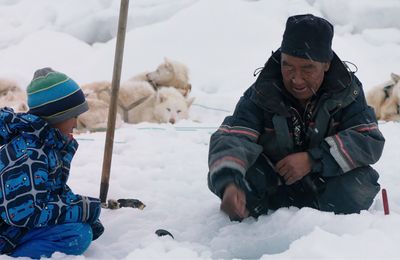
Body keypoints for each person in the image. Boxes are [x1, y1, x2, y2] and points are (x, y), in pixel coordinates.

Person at [207, 14, 385, 221]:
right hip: (274, 185)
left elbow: (368, 140)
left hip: (326, 182)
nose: (296, 79)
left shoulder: (347, 92)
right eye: (288, 66)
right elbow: (235, 136)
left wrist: (313, 159)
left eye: (308, 68)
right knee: (234, 177)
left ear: (326, 64)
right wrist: (230, 184)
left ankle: (323, 227)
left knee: (359, 186)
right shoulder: (262, 92)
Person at [0, 68, 104, 258]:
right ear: (58, 116)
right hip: (6, 233)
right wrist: (82, 210)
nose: (76, 123)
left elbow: (52, 191)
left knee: (80, 229)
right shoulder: (30, 154)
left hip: (15, 229)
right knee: (77, 236)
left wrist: (82, 210)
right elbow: (22, 213)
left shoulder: (48, 144)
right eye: (74, 115)